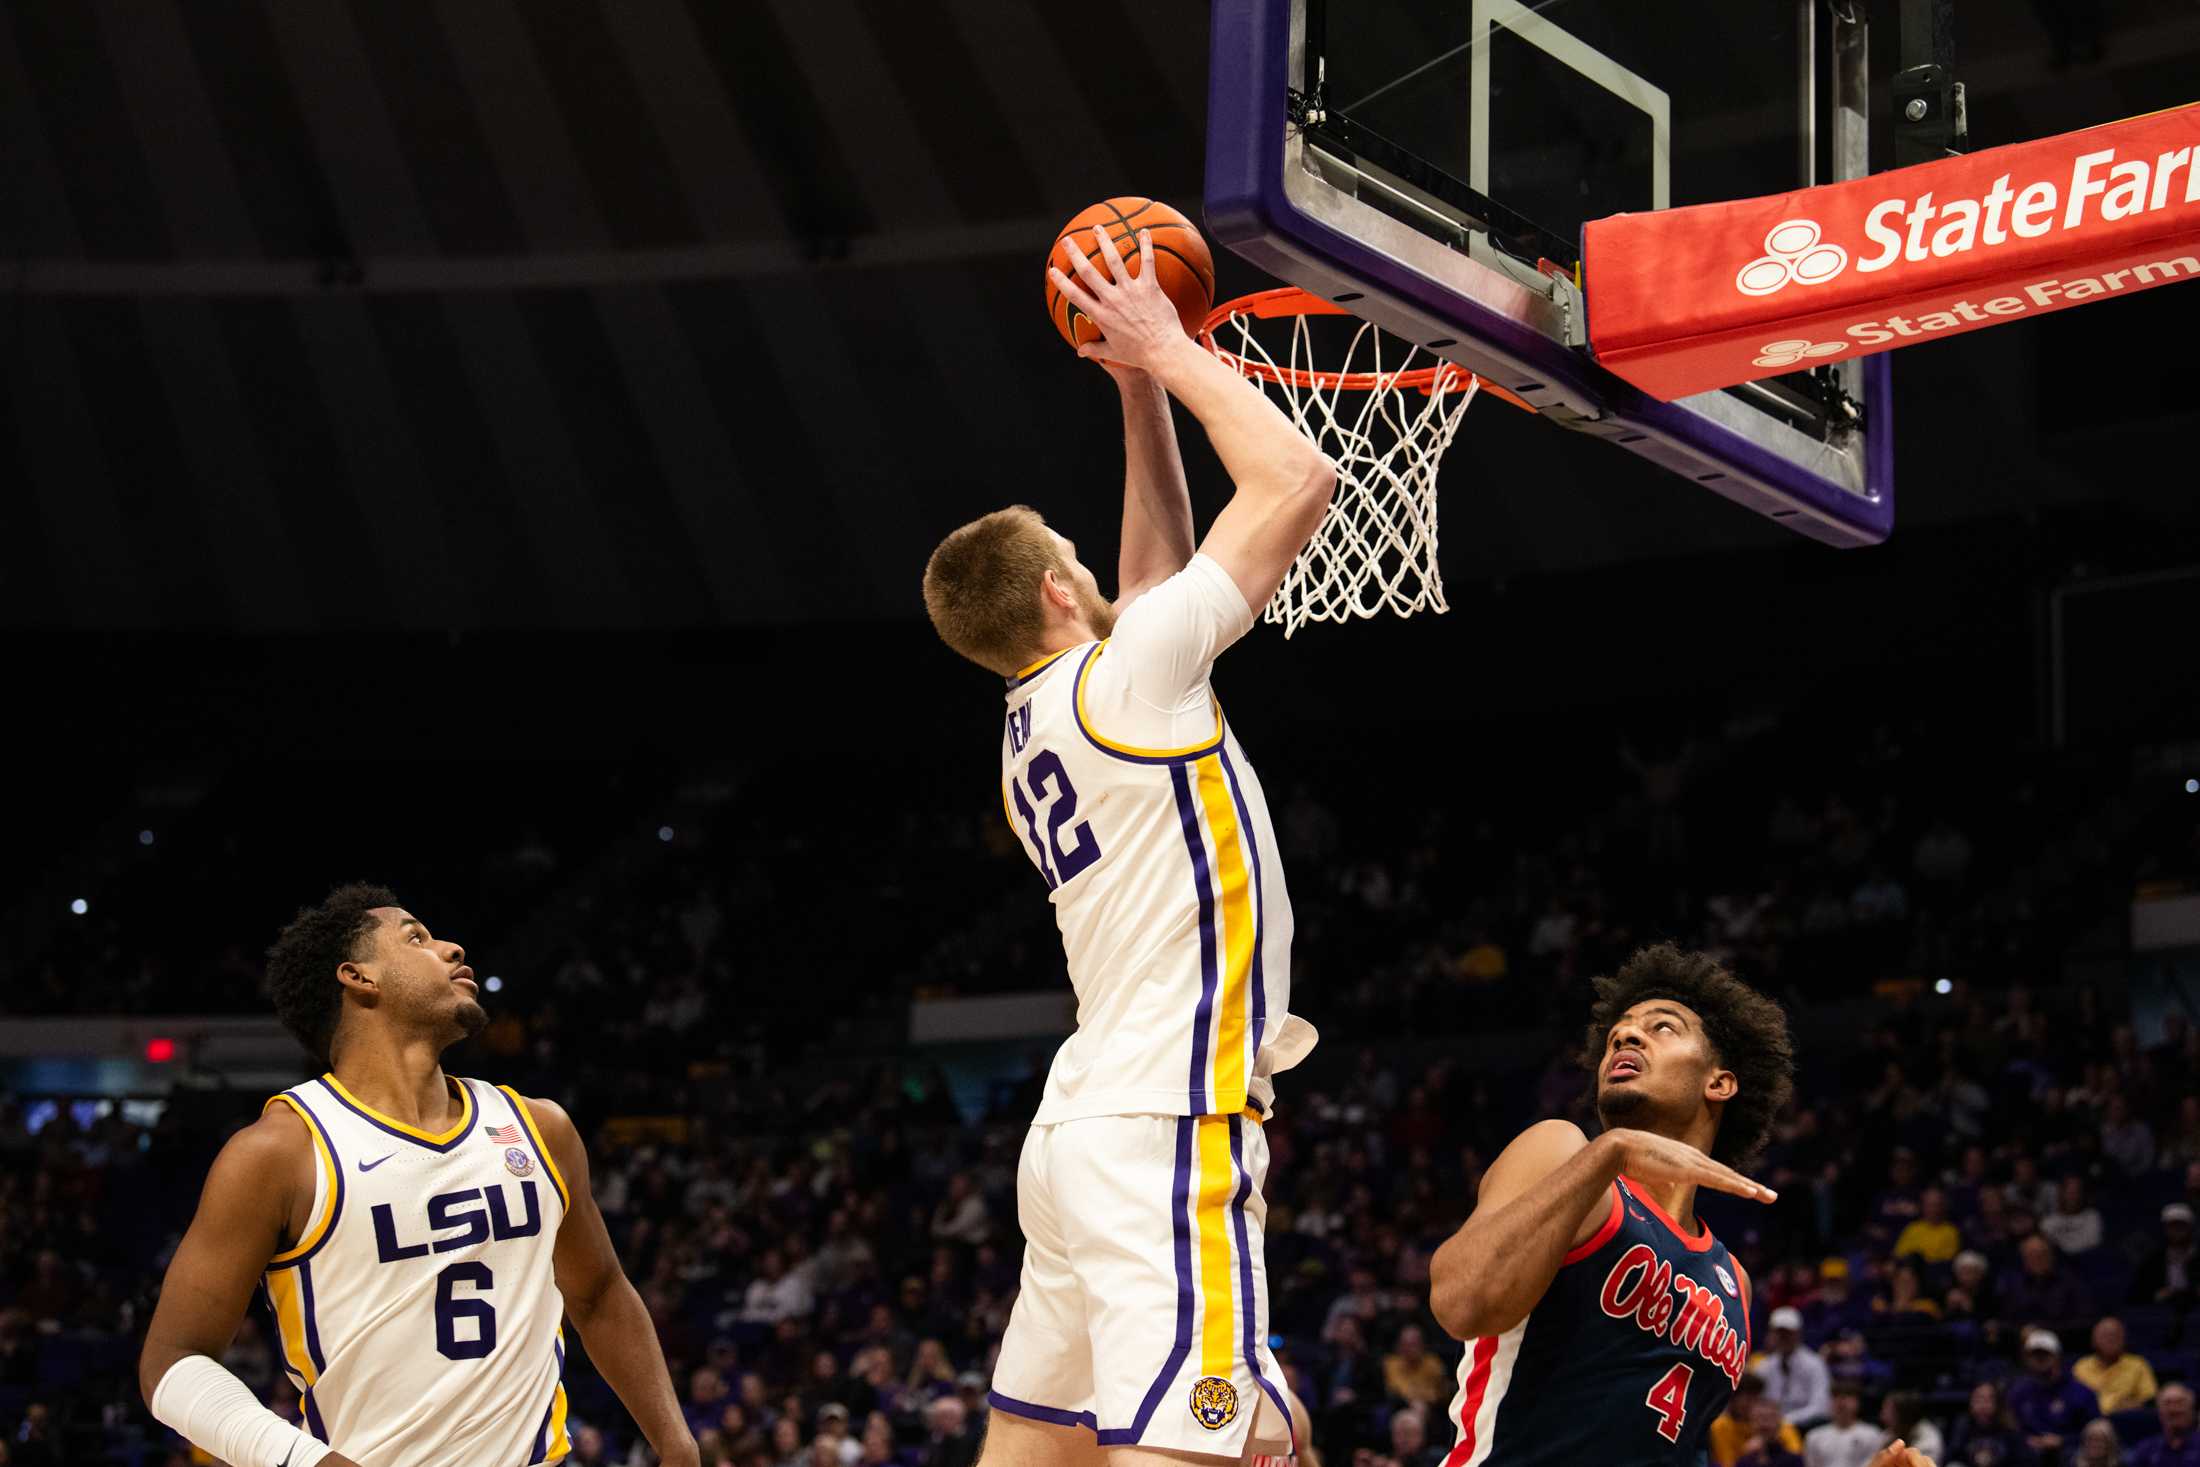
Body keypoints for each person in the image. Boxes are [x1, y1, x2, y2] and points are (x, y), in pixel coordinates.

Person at [928, 224, 1335, 1465]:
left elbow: (1148, 574)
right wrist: (1170, 345)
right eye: (1071, 558)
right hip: (1167, 1117)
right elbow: (1296, 481)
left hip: (1078, 1136)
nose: (1094, 571)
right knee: (1201, 1445)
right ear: (1059, 592)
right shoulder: (1128, 682)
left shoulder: (1040, 723)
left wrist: (1137, 392)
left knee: (1070, 1445)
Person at [138, 885, 697, 1467]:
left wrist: (676, 1442)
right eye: (417, 938)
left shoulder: (540, 1128)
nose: (453, 949)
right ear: (359, 978)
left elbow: (600, 1293)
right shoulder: (282, 1152)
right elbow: (172, 1363)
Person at [1426, 946, 1929, 1466]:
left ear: (1720, 1082)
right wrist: (1612, 1150)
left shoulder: (1733, 1283)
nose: (1626, 1035)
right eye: (1619, 1030)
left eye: (1662, 1027)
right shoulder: (1563, 1152)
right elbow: (1462, 1303)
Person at [2006, 1328, 2100, 1464]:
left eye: (2045, 1354)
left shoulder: (2081, 1392)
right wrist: (2026, 1439)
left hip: (2070, 1450)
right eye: (2034, 1354)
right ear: (2026, 1359)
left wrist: (2063, 1440)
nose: (2039, 1358)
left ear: (2058, 1356)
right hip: (2030, 1451)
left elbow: (2095, 1431)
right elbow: (2010, 1427)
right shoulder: (2018, 1392)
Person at [1753, 1308, 1833, 1431]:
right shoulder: (1764, 1366)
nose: (1783, 1337)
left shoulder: (1814, 1364)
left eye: (1788, 1333)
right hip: (1769, 1427)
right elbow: (1757, 1403)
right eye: (1779, 1333)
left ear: (1798, 1333)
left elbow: (1820, 1407)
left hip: (1804, 1428)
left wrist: (1785, 1421)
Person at [2076, 1317, 2160, 1416]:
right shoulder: (2081, 1366)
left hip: (2124, 1419)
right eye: (2105, 1335)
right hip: (2089, 1420)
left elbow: (2149, 1401)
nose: (2110, 1339)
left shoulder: (2138, 1365)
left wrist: (2133, 1405)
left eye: (2115, 1335)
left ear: (2124, 1339)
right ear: (2093, 1340)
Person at [1941, 1382, 2024, 1467]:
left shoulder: (2009, 1428)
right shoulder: (1963, 1426)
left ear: (1998, 1403)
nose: (1983, 1405)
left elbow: (2023, 1461)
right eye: (1978, 1399)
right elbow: (1950, 1457)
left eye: (1988, 1400)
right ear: (1970, 1402)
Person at [1803, 1383, 1880, 1467]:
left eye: (1847, 1396)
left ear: (1857, 1402)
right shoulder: (1814, 1436)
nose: (1841, 1402)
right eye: (1836, 1397)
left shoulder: (1872, 1434)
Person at [2131, 1382, 2200, 1467]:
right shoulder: (2146, 1449)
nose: (2174, 1409)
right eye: (2167, 1403)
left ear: (2192, 1411)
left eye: (2180, 1403)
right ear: (2159, 1413)